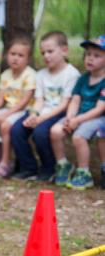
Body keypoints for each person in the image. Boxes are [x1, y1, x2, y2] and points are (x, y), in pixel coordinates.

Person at [11, 31, 80, 181]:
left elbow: (64, 104)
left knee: (40, 133)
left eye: (50, 51)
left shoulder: (72, 74)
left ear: (64, 50)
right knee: (17, 130)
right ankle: (28, 168)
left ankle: (50, 168)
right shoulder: (41, 74)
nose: (46, 56)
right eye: (43, 53)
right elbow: (39, 100)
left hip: (60, 112)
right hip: (42, 111)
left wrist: (40, 119)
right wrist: (34, 115)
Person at [49, 35, 105, 190]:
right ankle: (63, 164)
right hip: (78, 116)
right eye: (88, 54)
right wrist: (69, 118)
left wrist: (78, 120)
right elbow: (75, 100)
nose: (90, 59)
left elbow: (100, 109)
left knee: (79, 136)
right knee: (55, 131)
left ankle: (84, 173)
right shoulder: (83, 78)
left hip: (98, 118)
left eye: (97, 56)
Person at [0, 35, 36, 178]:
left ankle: (6, 163)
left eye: (20, 55)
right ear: (6, 55)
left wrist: (5, 115)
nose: (15, 58)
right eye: (12, 54)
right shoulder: (6, 74)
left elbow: (25, 101)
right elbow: (0, 98)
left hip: (24, 110)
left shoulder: (30, 75)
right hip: (10, 108)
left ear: (28, 59)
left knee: (5, 125)